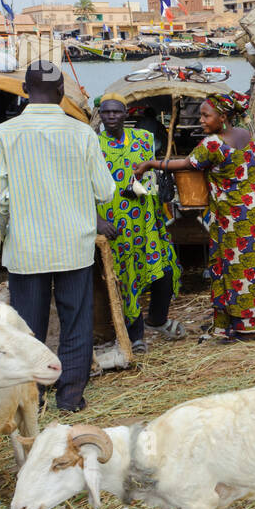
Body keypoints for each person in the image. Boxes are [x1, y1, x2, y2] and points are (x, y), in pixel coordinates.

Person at [0, 61, 116, 412]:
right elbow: (106, 191)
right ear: (61, 93)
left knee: (26, 329)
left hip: (25, 248)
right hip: (74, 247)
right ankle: (70, 398)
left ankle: (32, 399)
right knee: (76, 324)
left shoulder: (3, 134)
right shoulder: (82, 133)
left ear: (24, 91)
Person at [134, 94, 255, 340]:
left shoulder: (212, 144)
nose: (201, 120)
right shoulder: (245, 134)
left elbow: (186, 164)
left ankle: (245, 327)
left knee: (240, 268)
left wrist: (150, 164)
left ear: (223, 117)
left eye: (205, 115)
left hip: (236, 216)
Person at [96, 95, 182, 354]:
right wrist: (97, 221)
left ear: (125, 114)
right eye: (106, 112)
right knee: (125, 277)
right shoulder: (93, 145)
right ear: (100, 115)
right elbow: (82, 185)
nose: (111, 117)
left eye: (116, 112)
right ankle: (135, 336)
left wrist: (143, 189)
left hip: (146, 218)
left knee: (163, 269)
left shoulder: (142, 139)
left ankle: (157, 318)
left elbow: (154, 174)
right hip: (114, 223)